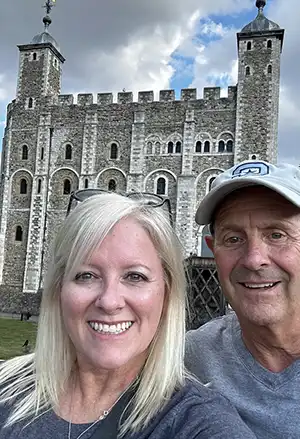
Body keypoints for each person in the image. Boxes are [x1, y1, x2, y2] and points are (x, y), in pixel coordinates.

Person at [0, 190, 256, 439]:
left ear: (167, 295)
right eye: (86, 275)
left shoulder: (198, 423)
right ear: (59, 290)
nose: (109, 301)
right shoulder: (7, 388)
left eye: (135, 276)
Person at [185, 160, 300, 438]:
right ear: (214, 250)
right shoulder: (187, 360)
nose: (254, 259)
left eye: (276, 234)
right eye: (233, 239)